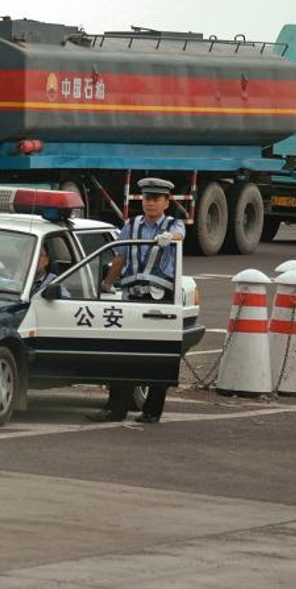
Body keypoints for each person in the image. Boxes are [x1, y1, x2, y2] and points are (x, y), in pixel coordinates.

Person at [88, 177, 185, 424]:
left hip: (158, 301)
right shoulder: (131, 225)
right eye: (146, 199)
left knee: (157, 358)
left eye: (155, 199)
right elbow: (120, 257)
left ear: (166, 202)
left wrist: (169, 237)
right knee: (123, 356)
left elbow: (179, 235)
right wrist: (107, 284)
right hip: (131, 298)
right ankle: (115, 409)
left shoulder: (174, 224)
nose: (150, 204)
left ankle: (152, 411)